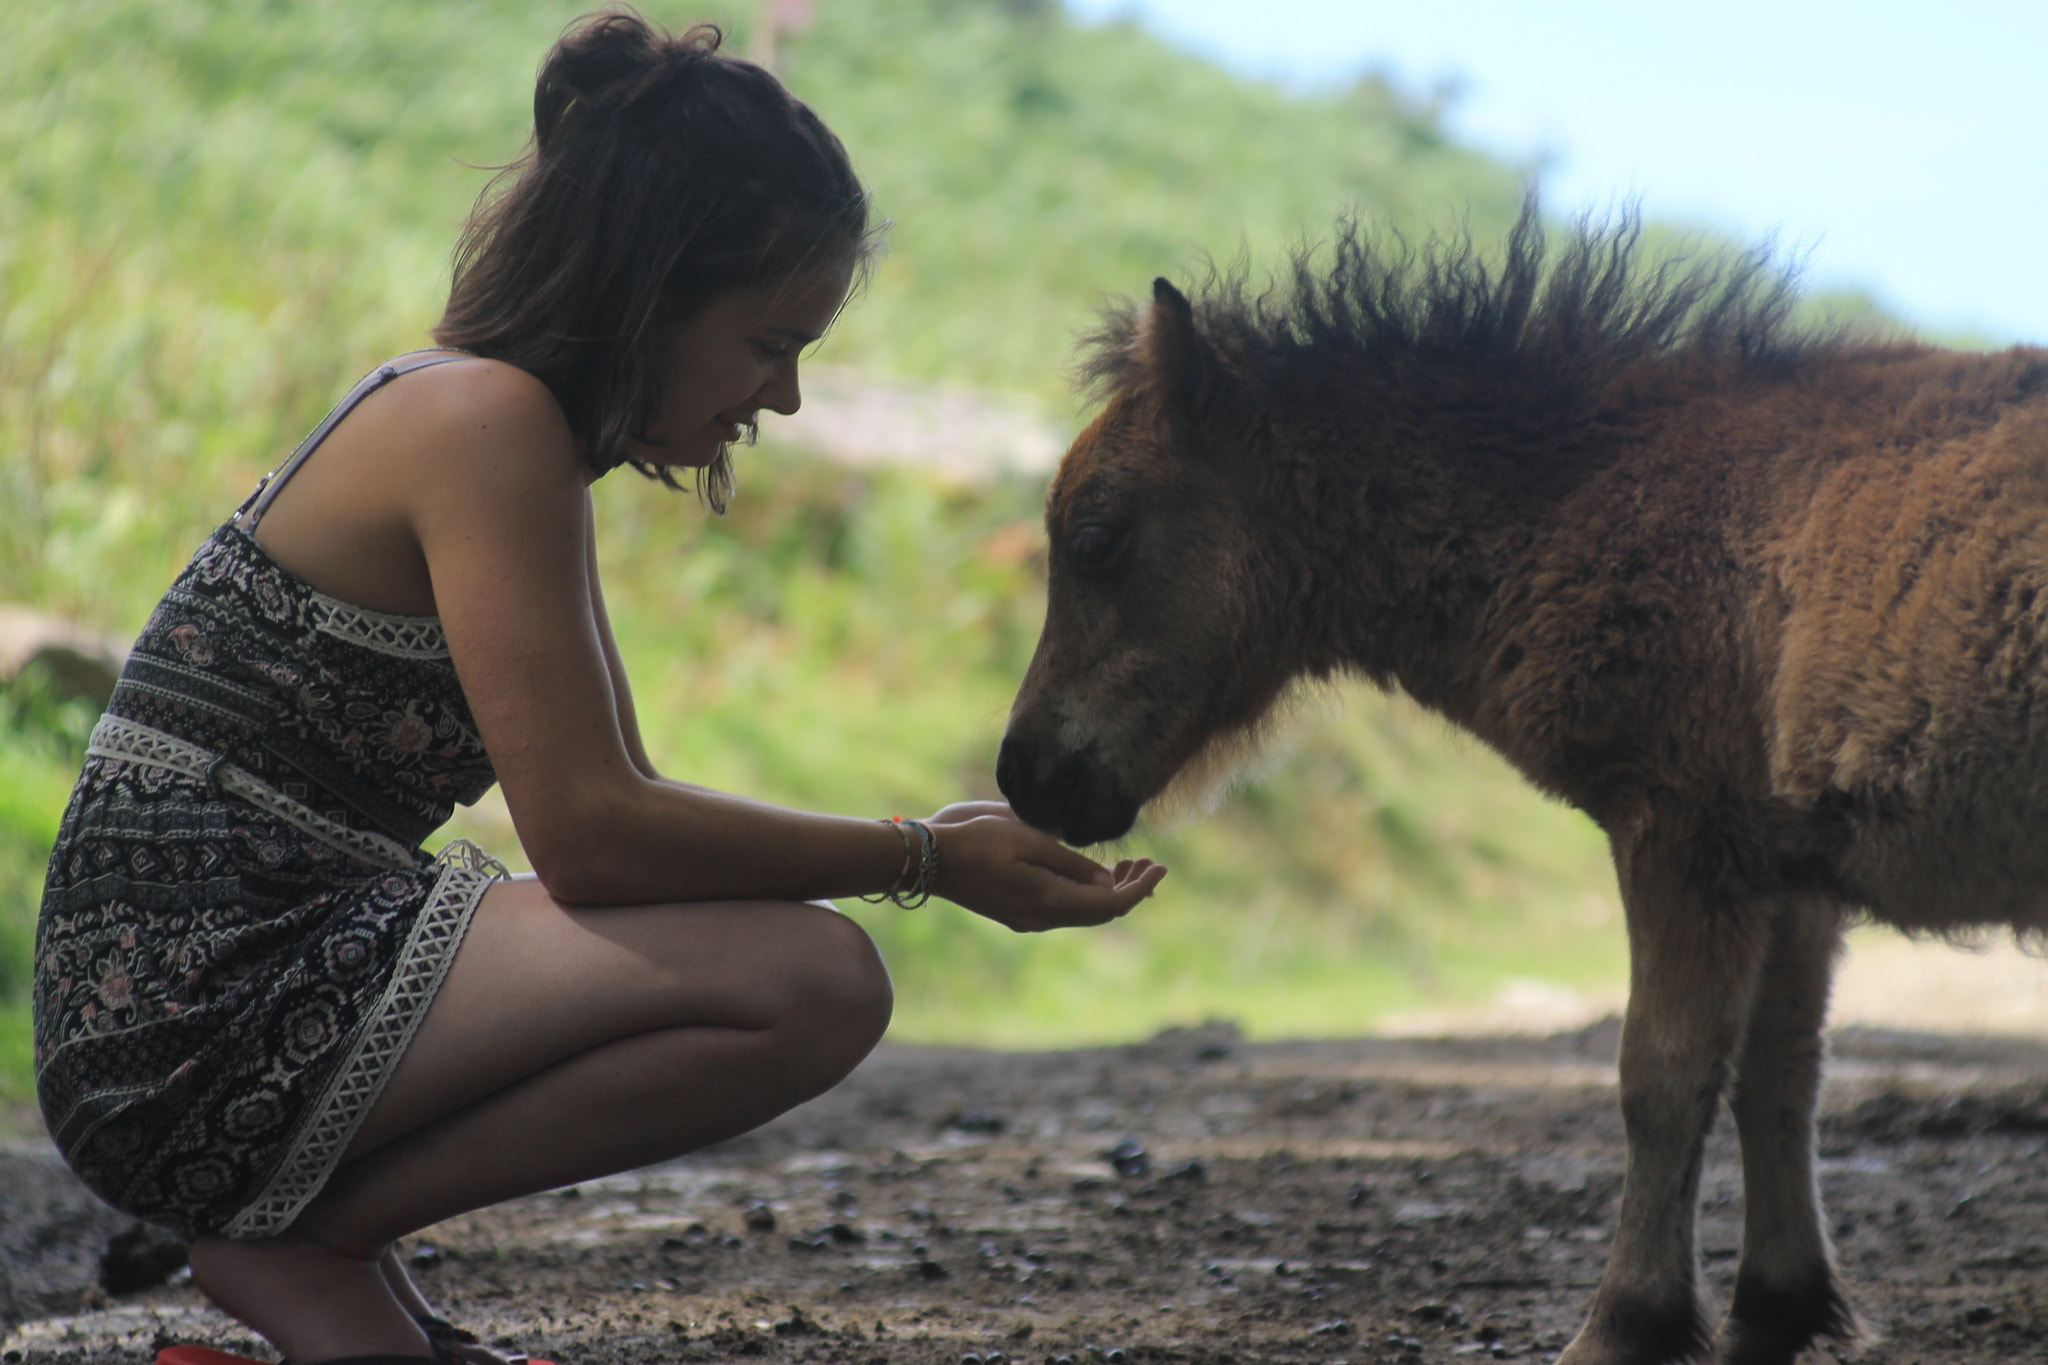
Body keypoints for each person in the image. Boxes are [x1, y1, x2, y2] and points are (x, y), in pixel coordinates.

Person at [31, 14, 1166, 1365]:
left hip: (232, 980)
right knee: (810, 979)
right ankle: (307, 1243)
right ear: (650, 287)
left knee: (807, 971)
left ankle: (330, 1251)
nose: (786, 398)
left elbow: (621, 813)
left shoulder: (509, 434)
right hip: (184, 1005)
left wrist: (930, 843)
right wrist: (924, 853)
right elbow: (595, 839)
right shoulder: (478, 420)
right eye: (769, 341)